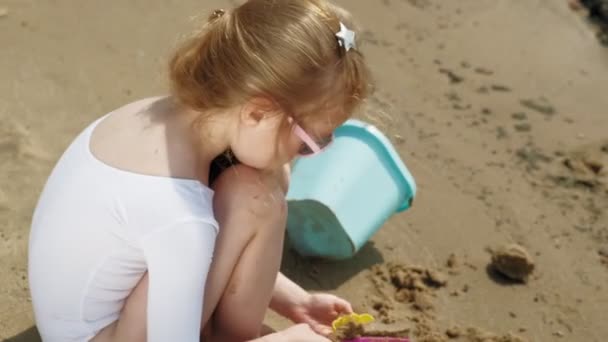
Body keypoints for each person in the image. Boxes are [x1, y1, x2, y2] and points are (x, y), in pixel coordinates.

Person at [27, 0, 371, 341]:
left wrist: (298, 301)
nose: (307, 154)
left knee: (258, 188)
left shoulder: (155, 121)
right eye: (309, 143)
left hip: (91, 316)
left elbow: (171, 251)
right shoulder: (182, 218)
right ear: (256, 113)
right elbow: (179, 247)